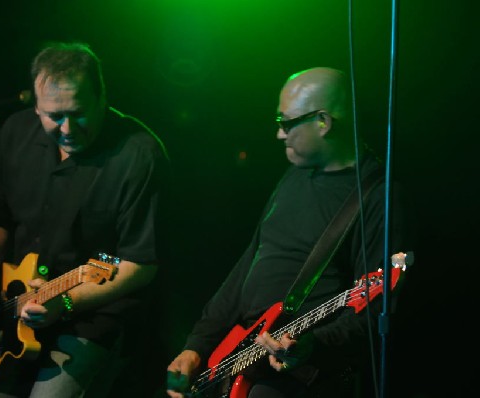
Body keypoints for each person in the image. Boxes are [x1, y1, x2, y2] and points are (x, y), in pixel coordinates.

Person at [166, 67, 410, 398]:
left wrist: (312, 345)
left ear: (323, 122)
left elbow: (375, 311)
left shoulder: (377, 195)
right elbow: (249, 264)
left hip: (302, 374)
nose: (280, 135)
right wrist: (198, 344)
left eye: (286, 123)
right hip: (240, 354)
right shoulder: (294, 175)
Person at [0, 41, 170, 398]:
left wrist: (65, 303)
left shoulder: (139, 154)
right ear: (35, 107)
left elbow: (141, 263)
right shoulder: (14, 132)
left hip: (96, 318)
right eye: (54, 116)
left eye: (78, 112)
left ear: (102, 99)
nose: (67, 129)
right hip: (14, 312)